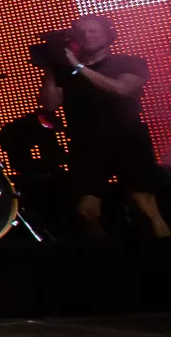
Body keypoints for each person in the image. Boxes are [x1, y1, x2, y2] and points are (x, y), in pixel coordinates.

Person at [40, 14, 169, 238]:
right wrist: (50, 69)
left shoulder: (129, 62)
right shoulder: (65, 72)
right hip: (86, 143)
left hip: (127, 139)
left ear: (108, 35)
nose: (87, 35)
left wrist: (77, 65)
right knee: (87, 210)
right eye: (82, 32)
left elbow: (121, 89)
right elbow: (50, 104)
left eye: (93, 31)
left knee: (144, 203)